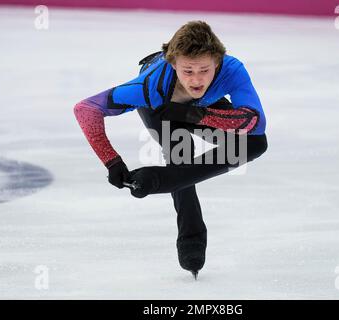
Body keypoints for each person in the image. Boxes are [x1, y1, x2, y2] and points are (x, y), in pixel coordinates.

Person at [74, 21, 268, 279]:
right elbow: (86, 109)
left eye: (204, 70)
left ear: (218, 62)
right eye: (188, 70)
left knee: (254, 143)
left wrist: (195, 114)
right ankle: (191, 237)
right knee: (181, 148)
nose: (196, 79)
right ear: (173, 63)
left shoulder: (231, 70)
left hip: (199, 109)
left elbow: (256, 122)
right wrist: (111, 161)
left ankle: (163, 180)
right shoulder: (148, 87)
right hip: (161, 108)